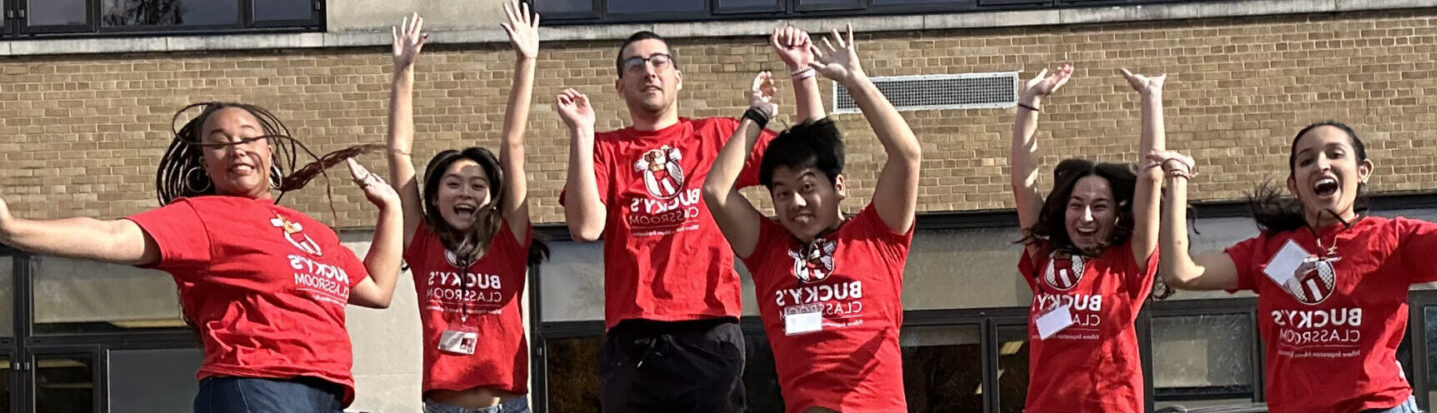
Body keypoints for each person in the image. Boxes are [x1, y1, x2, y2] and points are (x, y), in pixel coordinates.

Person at [1155, 88, 1437, 412]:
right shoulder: (1269, 252)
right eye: (1307, 160)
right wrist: (1176, 183)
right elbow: (1182, 272)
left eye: (1335, 154)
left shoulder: (1396, 239)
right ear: (1294, 184)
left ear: (1362, 171)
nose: (1321, 165)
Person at [0, 102, 405, 412]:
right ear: (204, 163)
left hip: (326, 389)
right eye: (218, 142)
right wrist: (14, 229)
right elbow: (112, 235)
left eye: (247, 137)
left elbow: (377, 289)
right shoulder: (202, 217)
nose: (236, 149)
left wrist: (391, 209)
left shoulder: (312, 232)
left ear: (271, 152)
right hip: (256, 384)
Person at [556, 24, 824, 412]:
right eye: (634, 64)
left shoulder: (717, 136)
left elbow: (808, 156)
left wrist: (802, 72)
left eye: (658, 61)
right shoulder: (605, 149)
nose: (648, 71)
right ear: (619, 87)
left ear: (678, 78)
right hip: (634, 340)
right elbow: (585, 227)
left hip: (708, 330)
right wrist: (582, 133)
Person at [702, 25, 922, 413]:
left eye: (807, 188)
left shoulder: (876, 236)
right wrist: (756, 116)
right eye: (782, 193)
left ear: (839, 186)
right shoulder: (769, 251)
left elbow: (906, 155)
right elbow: (717, 192)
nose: (796, 202)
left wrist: (854, 80)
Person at [383, 6, 549, 412]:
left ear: (492, 198)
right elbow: (397, 152)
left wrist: (526, 60)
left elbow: (513, 146)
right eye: (453, 184)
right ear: (435, 197)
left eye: (478, 186)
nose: (466, 193)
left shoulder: (508, 241)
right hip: (443, 406)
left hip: (508, 405)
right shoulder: (421, 244)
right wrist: (404, 71)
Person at [1007, 63, 1168, 412]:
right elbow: (1023, 185)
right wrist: (1029, 103)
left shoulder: (1128, 264)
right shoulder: (1046, 257)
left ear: (1116, 214)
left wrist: (1151, 99)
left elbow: (1151, 181)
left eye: (1100, 206)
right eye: (1076, 205)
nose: (1086, 217)